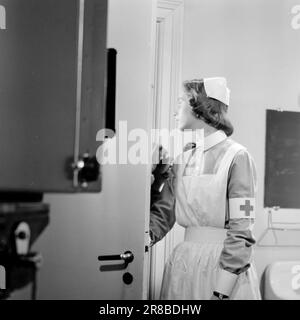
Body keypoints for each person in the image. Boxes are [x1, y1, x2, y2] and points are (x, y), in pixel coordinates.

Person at [149, 77, 261, 300]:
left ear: (199, 107)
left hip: (223, 269)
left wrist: (222, 291)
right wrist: (143, 239)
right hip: (183, 266)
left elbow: (242, 229)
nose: (175, 110)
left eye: (181, 101)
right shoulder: (181, 159)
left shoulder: (238, 158)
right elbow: (165, 212)